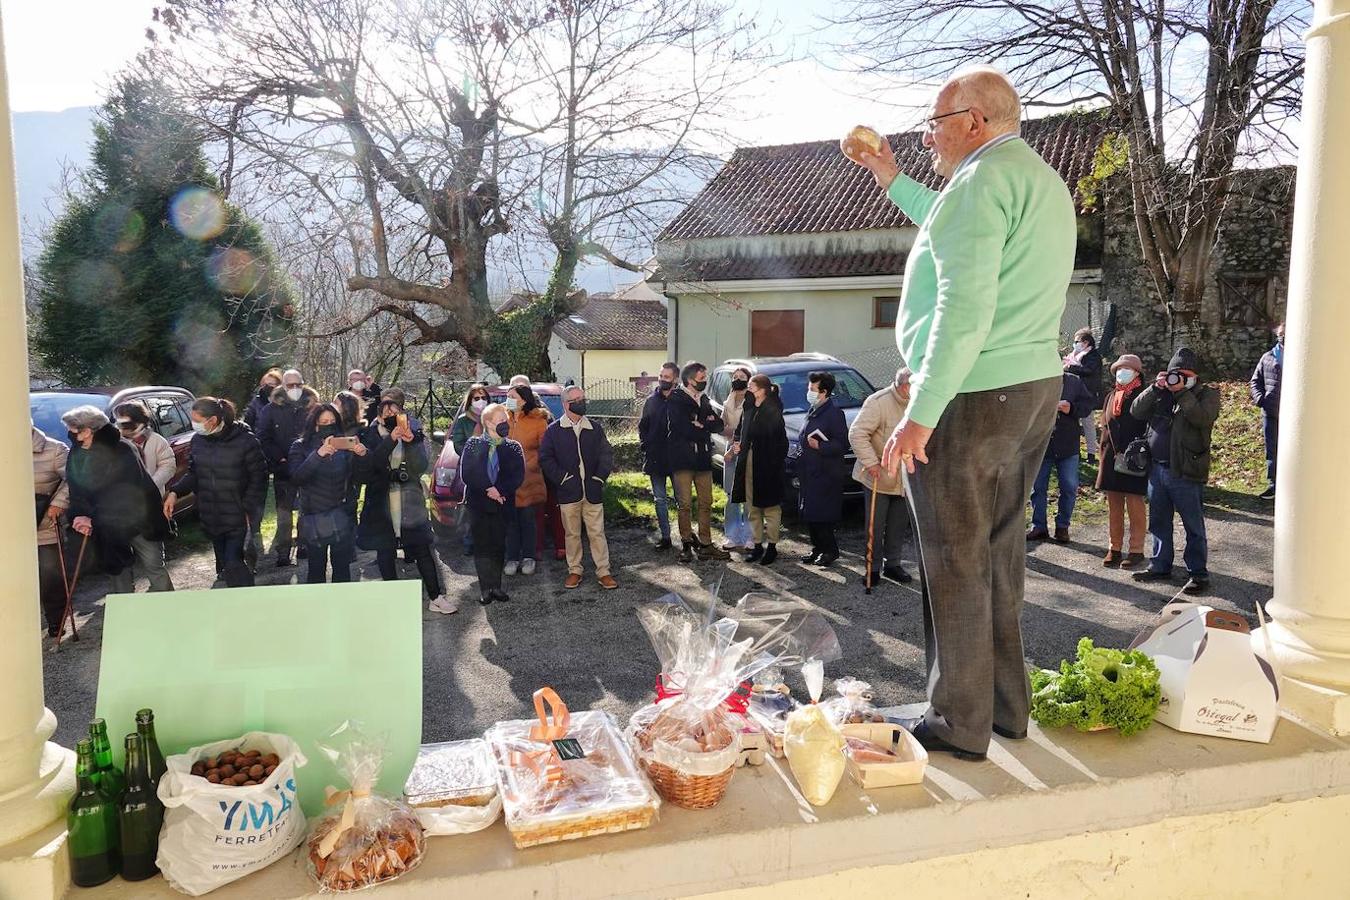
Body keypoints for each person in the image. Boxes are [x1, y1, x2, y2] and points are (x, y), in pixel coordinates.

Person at [852, 66, 1077, 759]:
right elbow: (950, 225)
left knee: (952, 556)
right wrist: (892, 178)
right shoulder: (1030, 176)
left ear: (974, 122)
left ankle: (956, 721)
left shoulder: (979, 183)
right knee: (998, 554)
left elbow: (964, 307)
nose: (926, 138)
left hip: (972, 395)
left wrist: (921, 410)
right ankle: (1005, 711)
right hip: (1031, 386)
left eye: (934, 124)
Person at [1130, 347, 1221, 595]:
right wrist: (1154, 388)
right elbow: (1136, 411)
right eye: (1173, 373)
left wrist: (1182, 393)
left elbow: (1202, 418)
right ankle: (1160, 564)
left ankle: (1198, 573)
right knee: (1159, 522)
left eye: (1182, 374)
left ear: (1194, 375)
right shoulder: (1162, 394)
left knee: (1193, 525)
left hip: (1185, 470)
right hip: (1157, 469)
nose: (1176, 378)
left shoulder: (1206, 394)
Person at [356, 389, 452, 611]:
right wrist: (391, 439)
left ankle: (436, 597)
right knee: (385, 550)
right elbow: (372, 466)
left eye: (395, 410)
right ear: (378, 414)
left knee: (421, 549)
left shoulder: (412, 433)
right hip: (381, 502)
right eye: (385, 410)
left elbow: (420, 467)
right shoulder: (368, 435)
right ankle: (394, 598)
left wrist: (410, 442)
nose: (390, 415)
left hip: (410, 501)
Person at [62, 406, 171, 596]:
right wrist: (79, 515)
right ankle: (124, 618)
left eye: (73, 429)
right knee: (118, 572)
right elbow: (76, 488)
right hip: (108, 526)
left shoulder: (122, 449)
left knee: (154, 568)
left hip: (140, 520)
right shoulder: (77, 453)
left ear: (88, 431)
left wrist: (93, 519)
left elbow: (124, 495)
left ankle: (169, 612)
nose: (69, 433)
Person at [165, 398, 268, 587]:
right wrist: (174, 491)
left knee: (234, 563)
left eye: (196, 419)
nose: (192, 423)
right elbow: (194, 473)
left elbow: (259, 478)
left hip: (238, 516)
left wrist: (247, 508)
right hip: (211, 514)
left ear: (212, 420)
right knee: (225, 566)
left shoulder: (245, 440)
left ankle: (249, 605)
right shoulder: (198, 441)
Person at [538, 385, 618, 590]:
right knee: (571, 534)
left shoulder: (595, 428)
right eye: (577, 399)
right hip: (568, 493)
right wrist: (563, 479)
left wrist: (599, 479)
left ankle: (604, 571)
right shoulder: (553, 431)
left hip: (592, 491)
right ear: (566, 404)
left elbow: (606, 455)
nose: (583, 402)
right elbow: (545, 459)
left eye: (583, 398)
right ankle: (575, 570)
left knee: (597, 533)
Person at [848, 369, 916, 584]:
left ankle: (893, 564)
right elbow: (857, 433)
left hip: (905, 479)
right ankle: (872, 567)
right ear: (905, 385)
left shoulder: (917, 402)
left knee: (898, 525)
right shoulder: (878, 402)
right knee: (875, 526)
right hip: (878, 476)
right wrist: (871, 464)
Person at [288, 403, 367, 584]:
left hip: (341, 514)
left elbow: (360, 477)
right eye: (324, 421)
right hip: (314, 516)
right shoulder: (300, 446)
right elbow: (296, 477)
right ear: (315, 424)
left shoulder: (344, 446)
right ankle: (319, 609)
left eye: (332, 421)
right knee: (316, 569)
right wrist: (318, 454)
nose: (328, 425)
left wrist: (362, 455)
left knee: (342, 569)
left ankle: (341, 608)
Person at [461, 403, 525, 604]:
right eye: (500, 421)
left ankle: (496, 586)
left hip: (503, 503)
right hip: (478, 504)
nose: (504, 424)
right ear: (488, 422)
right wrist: (490, 489)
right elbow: (468, 474)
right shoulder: (473, 444)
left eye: (505, 420)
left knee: (498, 546)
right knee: (482, 546)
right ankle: (485, 589)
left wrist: (500, 490)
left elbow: (517, 475)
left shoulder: (513, 447)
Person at [667, 362, 730, 563]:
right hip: (683, 461)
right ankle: (686, 544)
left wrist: (700, 422)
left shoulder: (704, 399)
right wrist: (703, 425)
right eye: (701, 379)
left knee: (706, 503)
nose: (704, 382)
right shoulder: (676, 400)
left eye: (705, 379)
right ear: (689, 380)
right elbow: (681, 428)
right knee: (684, 504)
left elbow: (718, 424)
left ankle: (705, 544)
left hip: (703, 460)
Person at [255, 369, 318, 567]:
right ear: (282, 386)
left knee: (307, 510)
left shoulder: (313, 406)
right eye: (290, 385)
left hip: (309, 467)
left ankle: (304, 546)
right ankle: (283, 552)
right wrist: (279, 459)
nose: (294, 388)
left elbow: (321, 432)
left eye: (298, 384)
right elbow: (263, 437)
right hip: (283, 470)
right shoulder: (271, 409)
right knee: (283, 513)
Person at [1027, 371, 1095, 543]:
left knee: (1069, 487)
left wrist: (1071, 408)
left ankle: (1062, 527)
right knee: (1038, 488)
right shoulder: (1035, 379)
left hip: (1067, 445)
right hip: (1041, 444)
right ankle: (1038, 526)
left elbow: (1087, 406)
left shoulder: (1074, 381)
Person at [1097, 353, 1149, 568]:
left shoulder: (1143, 395)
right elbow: (1104, 423)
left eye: (1126, 369)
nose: (1121, 373)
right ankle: (1114, 548)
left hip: (1133, 457)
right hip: (1111, 457)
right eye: (1118, 370)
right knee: (1114, 505)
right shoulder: (1111, 395)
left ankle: (1136, 550)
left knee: (1135, 504)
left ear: (1137, 373)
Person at [731, 374, 788, 565]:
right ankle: (757, 546)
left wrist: (774, 463)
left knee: (770, 507)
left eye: (751, 386)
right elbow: (740, 430)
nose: (748, 389)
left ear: (762, 389)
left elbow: (781, 442)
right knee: (751, 505)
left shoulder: (773, 409)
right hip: (748, 460)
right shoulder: (748, 407)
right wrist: (737, 444)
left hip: (768, 463)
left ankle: (771, 547)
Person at [797, 371, 849, 567]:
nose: (808, 391)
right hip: (810, 472)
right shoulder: (813, 410)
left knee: (822, 515)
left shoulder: (834, 413)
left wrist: (821, 446)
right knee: (811, 514)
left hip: (825, 473)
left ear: (824, 391)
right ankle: (817, 548)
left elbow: (841, 444)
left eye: (812, 389)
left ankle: (830, 550)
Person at [504, 383, 549, 575]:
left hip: (528, 478)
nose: (508, 399)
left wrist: (529, 464)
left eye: (512, 396)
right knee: (510, 521)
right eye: (507, 396)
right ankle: (512, 558)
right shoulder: (503, 419)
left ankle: (529, 557)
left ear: (523, 399)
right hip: (506, 479)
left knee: (528, 519)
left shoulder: (538, 420)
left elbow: (545, 450)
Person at [33, 425, 70, 638]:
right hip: (11, 527)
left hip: (46, 524)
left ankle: (56, 621)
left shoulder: (55, 450)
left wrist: (58, 504)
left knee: (50, 576)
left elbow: (70, 481)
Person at [637, 362, 679, 551]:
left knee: (682, 500)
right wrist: (646, 445)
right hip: (655, 458)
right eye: (661, 376)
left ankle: (686, 536)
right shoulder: (651, 401)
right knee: (660, 499)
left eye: (667, 377)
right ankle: (665, 536)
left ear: (675, 379)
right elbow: (643, 426)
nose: (662, 379)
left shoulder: (680, 400)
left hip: (678, 460)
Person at [451, 383, 491, 556]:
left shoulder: (493, 417)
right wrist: (472, 454)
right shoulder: (462, 420)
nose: (480, 401)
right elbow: (457, 444)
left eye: (483, 398)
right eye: (477, 398)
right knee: (471, 508)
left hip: (492, 468)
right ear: (470, 401)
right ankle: (470, 542)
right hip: (472, 470)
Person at [719, 366, 755, 553]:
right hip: (730, 448)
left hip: (747, 450)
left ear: (749, 380)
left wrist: (737, 441)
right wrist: (730, 436)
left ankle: (750, 536)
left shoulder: (753, 401)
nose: (737, 379)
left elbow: (749, 429)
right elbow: (723, 425)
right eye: (735, 377)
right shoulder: (728, 401)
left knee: (748, 494)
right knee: (731, 495)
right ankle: (732, 536)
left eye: (741, 377)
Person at [1250, 322, 1283, 500]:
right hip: (1271, 412)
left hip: (1295, 415)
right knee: (1272, 450)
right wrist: (1260, 399)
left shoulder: (1301, 357)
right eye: (1281, 334)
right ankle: (1273, 485)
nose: (1283, 338)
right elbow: (1255, 381)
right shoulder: (1268, 357)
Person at [113, 401, 175, 496]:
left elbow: (168, 466)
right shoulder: (114, 442)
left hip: (151, 498)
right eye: (118, 423)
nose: (121, 428)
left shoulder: (156, 441)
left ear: (139, 422)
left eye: (125, 424)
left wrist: (150, 485)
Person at [1063, 327, 1103, 464]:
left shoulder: (1093, 356)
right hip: (1072, 394)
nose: (1075, 344)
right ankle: (1075, 452)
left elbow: (1088, 371)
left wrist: (1071, 368)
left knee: (1088, 425)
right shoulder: (1073, 356)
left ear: (1086, 342)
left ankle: (1091, 454)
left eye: (1077, 341)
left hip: (1087, 394)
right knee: (1073, 425)